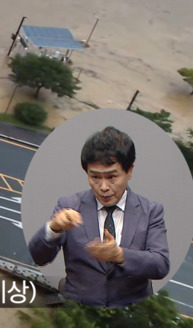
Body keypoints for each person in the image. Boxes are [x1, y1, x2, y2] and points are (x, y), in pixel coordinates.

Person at [27, 126, 169, 308]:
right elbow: (38, 256)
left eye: (112, 178)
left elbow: (160, 264)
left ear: (129, 171)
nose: (103, 187)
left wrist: (119, 255)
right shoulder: (69, 205)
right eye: (95, 177)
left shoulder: (150, 211)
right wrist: (53, 228)